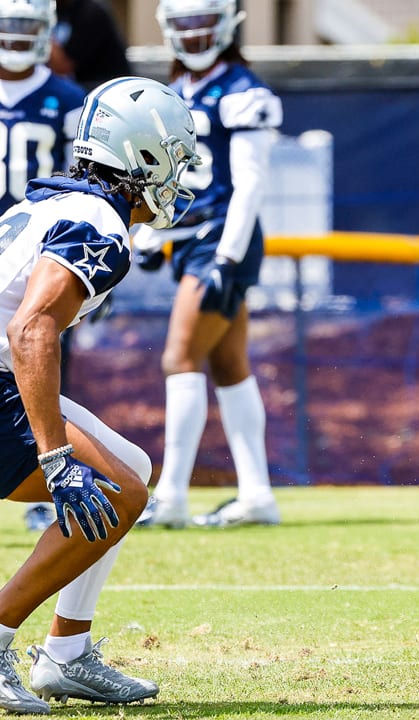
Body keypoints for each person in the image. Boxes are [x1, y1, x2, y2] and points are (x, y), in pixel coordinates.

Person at [0, 74, 199, 713]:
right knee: (118, 493)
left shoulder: (53, 204)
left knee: (130, 470)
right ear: (141, 155)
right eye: (174, 155)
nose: (178, 173)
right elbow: (30, 327)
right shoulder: (96, 224)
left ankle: (65, 655)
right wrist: (57, 460)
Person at [133, 0, 283, 530]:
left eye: (203, 24)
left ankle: (171, 495)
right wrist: (152, 233)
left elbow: (250, 185)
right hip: (197, 238)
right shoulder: (178, 93)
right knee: (229, 367)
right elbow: (175, 179)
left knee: (178, 357)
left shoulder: (244, 93)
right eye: (184, 26)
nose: (194, 36)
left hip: (222, 241)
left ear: (226, 26)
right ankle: (258, 495)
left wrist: (226, 255)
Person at [0, 0, 87, 534]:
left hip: (42, 249)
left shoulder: (68, 98)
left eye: (26, 28)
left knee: (45, 357)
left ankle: (48, 476)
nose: (15, 38)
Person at [47, 0, 131, 91]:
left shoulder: (90, 11)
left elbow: (62, 67)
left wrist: (41, 29)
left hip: (106, 88)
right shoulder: (58, 10)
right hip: (80, 86)